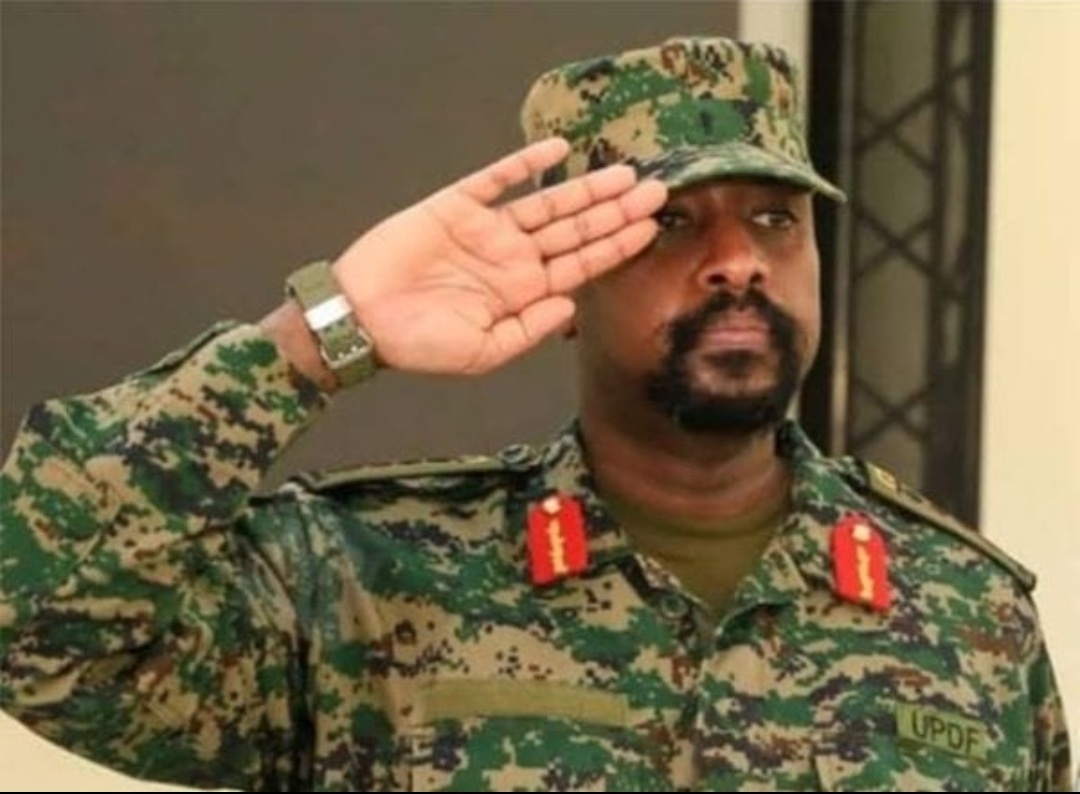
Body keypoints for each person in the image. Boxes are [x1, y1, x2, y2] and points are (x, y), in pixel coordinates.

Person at [0, 35, 1071, 792]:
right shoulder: (371, 585)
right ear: (565, 279)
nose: (739, 261)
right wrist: (322, 333)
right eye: (669, 224)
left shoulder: (965, 614)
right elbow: (36, 623)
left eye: (775, 220)